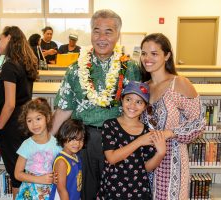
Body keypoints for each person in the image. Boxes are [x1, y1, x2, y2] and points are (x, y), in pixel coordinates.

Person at [52, 9, 141, 199]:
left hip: (118, 141)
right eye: (96, 31)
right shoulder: (75, 69)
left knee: (117, 193)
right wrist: (46, 143)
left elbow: (138, 107)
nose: (101, 37)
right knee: (84, 191)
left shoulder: (130, 68)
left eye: (108, 31)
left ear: (118, 35)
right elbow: (63, 109)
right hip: (83, 141)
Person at [140, 33, 206, 199]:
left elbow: (199, 123)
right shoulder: (143, 88)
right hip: (146, 162)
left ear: (167, 55)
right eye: (144, 53)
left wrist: (169, 133)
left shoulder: (179, 83)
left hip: (172, 163)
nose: (147, 58)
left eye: (154, 53)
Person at [97, 81, 166, 199]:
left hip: (139, 192)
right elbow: (112, 158)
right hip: (113, 190)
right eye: (128, 99)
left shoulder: (147, 132)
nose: (132, 105)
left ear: (145, 106)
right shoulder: (110, 125)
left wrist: (160, 154)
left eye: (139, 102)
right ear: (122, 100)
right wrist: (139, 141)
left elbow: (146, 168)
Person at [0, 26, 38, 199]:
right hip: (24, 122)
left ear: (9, 38)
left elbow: (9, 104)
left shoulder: (10, 66)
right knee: (24, 170)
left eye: (0, 39)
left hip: (11, 125)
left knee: (16, 175)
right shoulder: (25, 63)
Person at [14, 97, 62, 200]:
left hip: (50, 192)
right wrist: (39, 179)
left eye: (38, 119)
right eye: (29, 120)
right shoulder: (26, 145)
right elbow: (17, 174)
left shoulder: (57, 144)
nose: (34, 124)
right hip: (30, 193)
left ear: (48, 118)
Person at [50, 119, 85, 200]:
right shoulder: (62, 161)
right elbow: (61, 189)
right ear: (63, 136)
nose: (77, 143)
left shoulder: (76, 156)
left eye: (81, 140)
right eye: (73, 139)